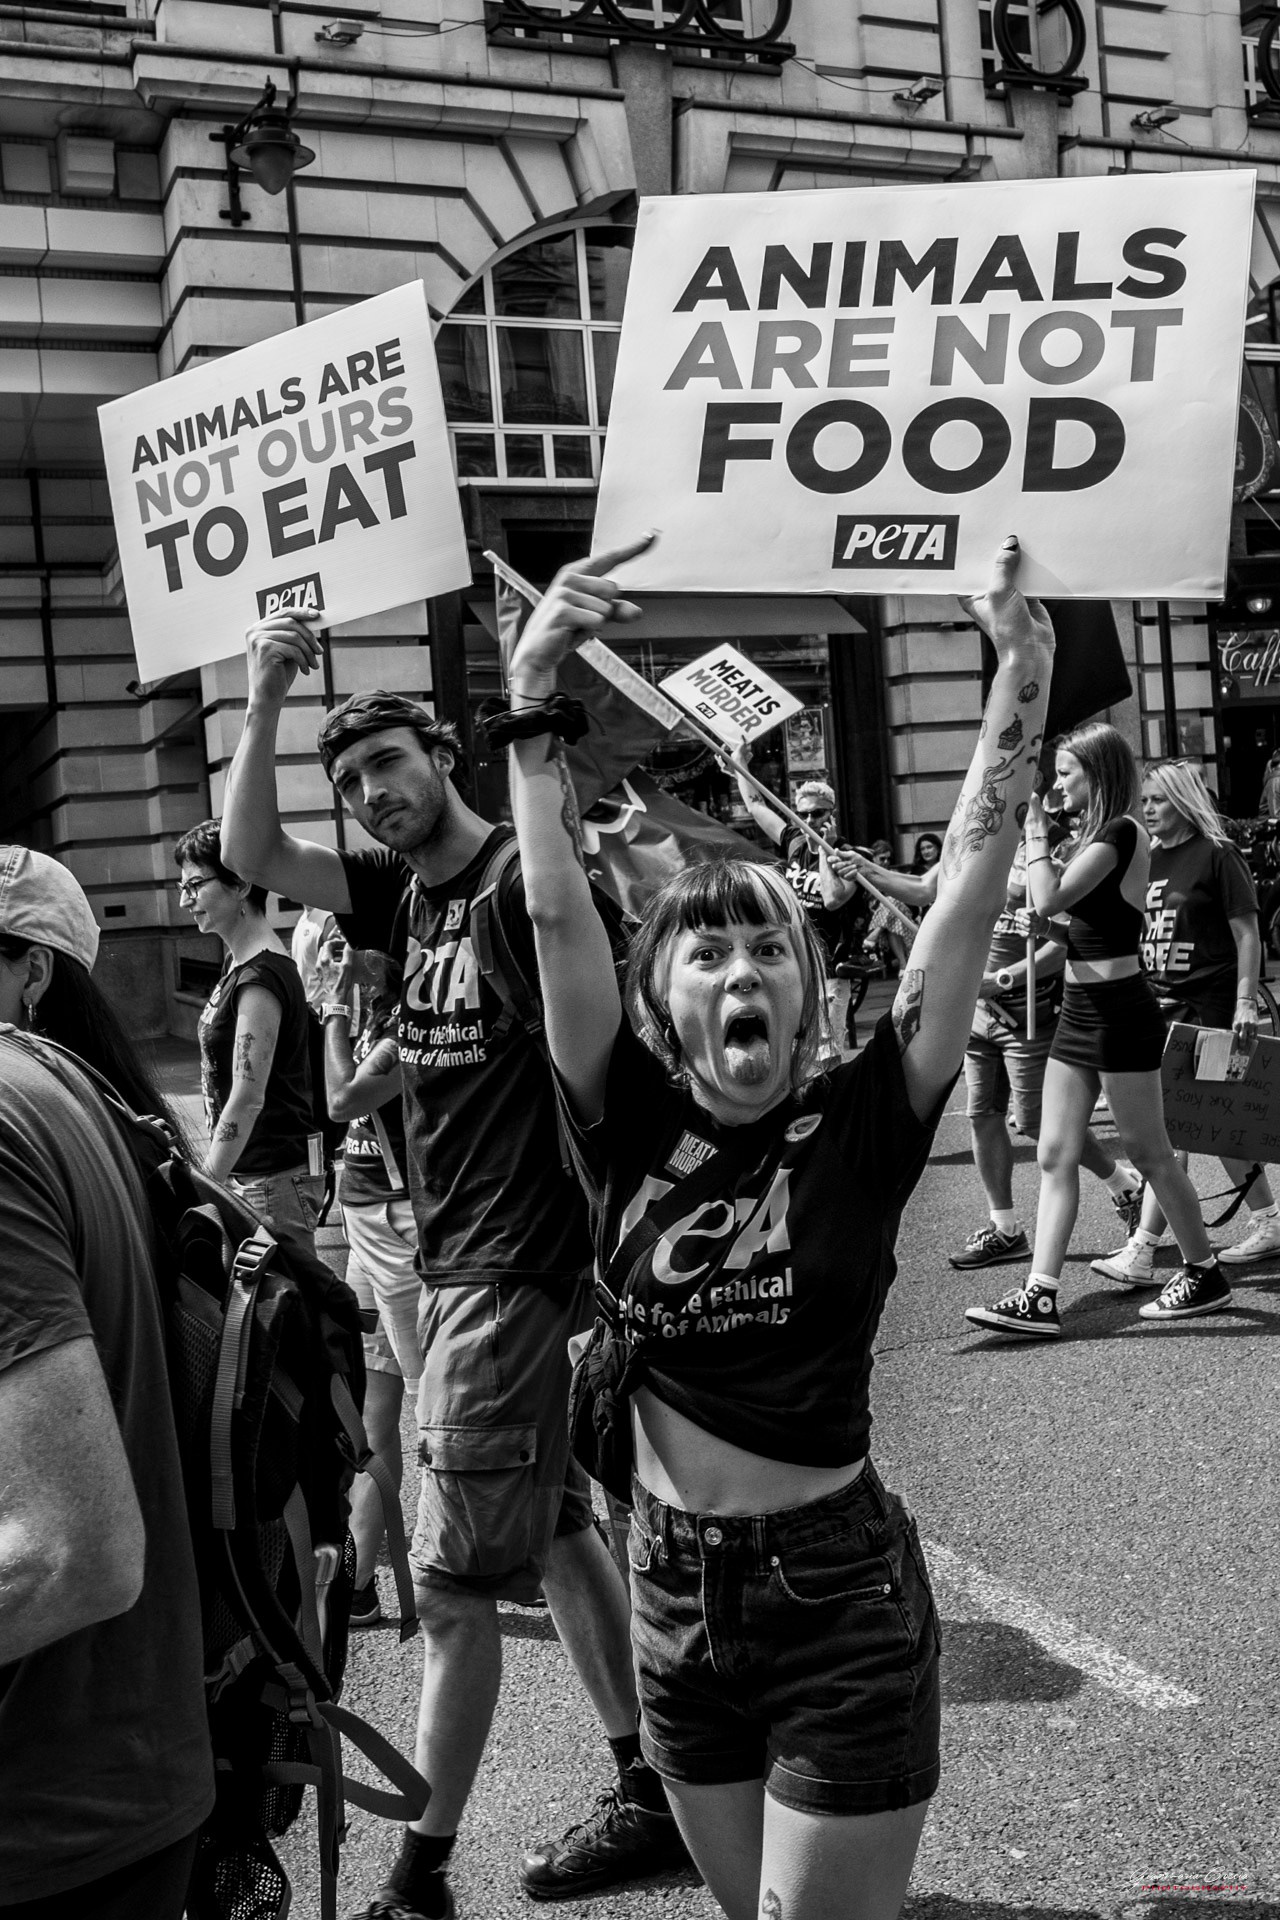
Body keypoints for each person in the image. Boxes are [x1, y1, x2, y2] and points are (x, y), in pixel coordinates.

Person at [503, 534, 1054, 1920]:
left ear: (809, 995)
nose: (743, 969)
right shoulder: (618, 1117)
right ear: (658, 996)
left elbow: (971, 896)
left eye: (770, 950)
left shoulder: (865, 1120)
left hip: (836, 1605)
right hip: (671, 1605)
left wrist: (1020, 679)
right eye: (708, 950)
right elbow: (557, 909)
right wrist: (531, 695)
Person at [220, 654, 681, 1920]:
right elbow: (255, 842)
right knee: (563, 1528)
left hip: (512, 1263)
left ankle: (420, 1875)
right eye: (352, 779)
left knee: (451, 1587)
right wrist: (263, 692)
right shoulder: (394, 894)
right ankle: (650, 1785)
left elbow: (582, 983)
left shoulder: (503, 887)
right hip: (464, 1253)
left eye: (389, 764)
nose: (373, 793)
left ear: (442, 757)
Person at [0, 846, 213, 1915]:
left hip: (42, 1816)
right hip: (133, 1778)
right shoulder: (96, 1103)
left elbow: (73, 1553)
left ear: (30, 971)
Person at [966, 724, 1228, 1338]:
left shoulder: (1121, 832)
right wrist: (1048, 935)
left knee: (1151, 1153)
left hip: (1119, 1012)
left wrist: (1033, 828)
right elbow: (1079, 925)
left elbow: (1050, 896)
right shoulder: (1093, 837)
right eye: (1054, 775)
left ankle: (1203, 1269)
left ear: (1097, 773)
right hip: (1080, 1013)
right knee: (1054, 1152)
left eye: (1065, 774)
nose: (1056, 785)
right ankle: (1040, 1293)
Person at [837, 841, 1143, 1267]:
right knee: (982, 1115)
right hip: (975, 1013)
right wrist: (863, 867)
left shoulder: (1045, 852)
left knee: (1037, 1121)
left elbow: (1063, 944)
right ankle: (1005, 1228)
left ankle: (1122, 1183)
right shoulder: (974, 836)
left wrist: (1000, 980)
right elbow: (925, 888)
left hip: (1025, 1012)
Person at [1094, 757, 1280, 1283]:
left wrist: (1246, 1002)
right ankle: (1268, 1220)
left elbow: (1248, 935)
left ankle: (1143, 1248)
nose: (1147, 809)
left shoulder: (1217, 855)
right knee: (1213, 1124)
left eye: (1156, 799)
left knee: (1173, 1127)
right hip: (1159, 1008)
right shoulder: (1146, 858)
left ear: (1181, 800)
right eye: (1144, 801)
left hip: (1213, 1010)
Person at [313, 933, 422, 1628]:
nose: (333, 959)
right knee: (371, 1410)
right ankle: (358, 1580)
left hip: (406, 1228)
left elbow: (343, 1098)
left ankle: (486, 1555)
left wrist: (334, 1010)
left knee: (440, 1412)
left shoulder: (414, 1022)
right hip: (364, 1223)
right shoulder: (373, 1012)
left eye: (345, 946)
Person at [175, 819, 324, 1255]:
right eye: (183, 887)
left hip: (269, 1185)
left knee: (286, 1317)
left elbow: (248, 1096)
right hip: (255, 1179)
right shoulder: (238, 966)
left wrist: (206, 1182)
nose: (186, 900)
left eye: (196, 885)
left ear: (240, 884)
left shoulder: (259, 977)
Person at [730, 755, 864, 1049]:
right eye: (803, 815)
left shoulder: (848, 857)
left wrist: (825, 852)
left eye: (817, 814)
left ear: (832, 814)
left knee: (826, 1050)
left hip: (829, 969)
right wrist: (739, 760)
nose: (809, 821)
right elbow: (755, 806)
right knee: (791, 1047)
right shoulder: (794, 841)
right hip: (792, 964)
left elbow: (832, 899)